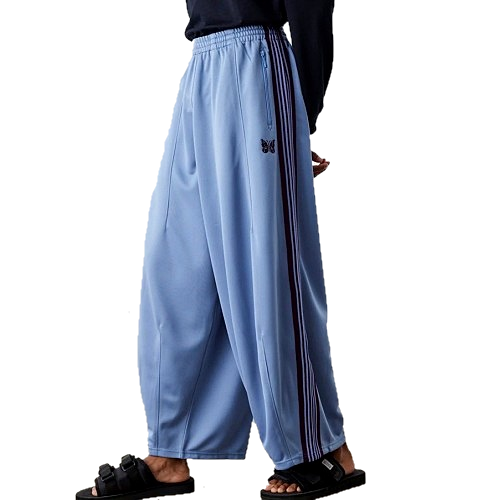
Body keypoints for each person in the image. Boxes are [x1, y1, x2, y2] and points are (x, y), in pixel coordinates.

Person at [75, 1, 366, 499]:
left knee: (264, 272)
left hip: (258, 67)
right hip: (202, 68)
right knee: (177, 265)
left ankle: (320, 448)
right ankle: (169, 452)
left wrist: (300, 116)